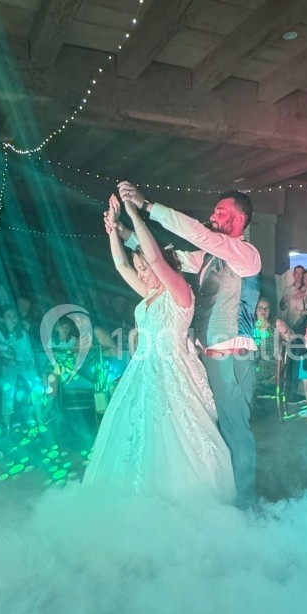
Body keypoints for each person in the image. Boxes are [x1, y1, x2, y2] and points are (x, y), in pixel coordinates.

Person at [116, 183, 261, 508]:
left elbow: (200, 234)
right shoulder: (208, 258)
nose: (212, 216)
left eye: (220, 212)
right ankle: (223, 494)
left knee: (236, 431)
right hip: (206, 359)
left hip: (231, 359)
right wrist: (123, 231)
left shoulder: (246, 254)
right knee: (211, 430)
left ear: (239, 221)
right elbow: (165, 259)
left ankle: (246, 506)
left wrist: (148, 206)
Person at [83, 193, 235, 503]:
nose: (140, 273)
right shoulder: (148, 295)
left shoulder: (179, 292)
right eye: (140, 268)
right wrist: (112, 229)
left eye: (145, 267)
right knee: (139, 434)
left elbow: (154, 258)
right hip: (142, 369)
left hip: (172, 368)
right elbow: (121, 266)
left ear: (161, 266)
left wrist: (132, 212)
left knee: (176, 433)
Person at [0, 304, 47, 432]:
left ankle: (39, 420)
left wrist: (32, 362)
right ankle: (6, 424)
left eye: (14, 316)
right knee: (8, 390)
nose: (12, 319)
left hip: (24, 364)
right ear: (2, 319)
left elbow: (29, 351)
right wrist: (4, 347)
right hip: (10, 365)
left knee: (36, 386)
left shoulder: (21, 333)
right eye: (8, 316)